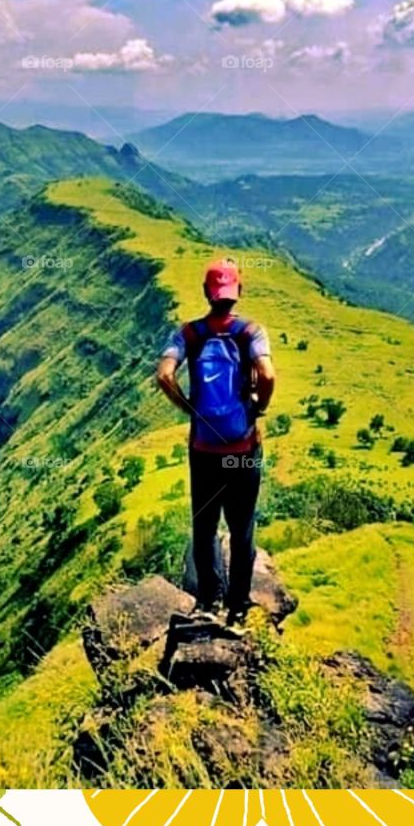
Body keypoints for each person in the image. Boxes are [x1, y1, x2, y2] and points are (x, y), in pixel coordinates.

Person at [157, 256, 275, 625]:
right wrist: (258, 408)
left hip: (204, 449)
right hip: (242, 450)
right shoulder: (251, 331)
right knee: (242, 528)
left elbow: (163, 375)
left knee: (204, 525)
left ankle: (208, 600)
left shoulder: (189, 333)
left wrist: (189, 408)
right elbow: (268, 375)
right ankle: (238, 607)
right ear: (237, 291)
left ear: (207, 293)